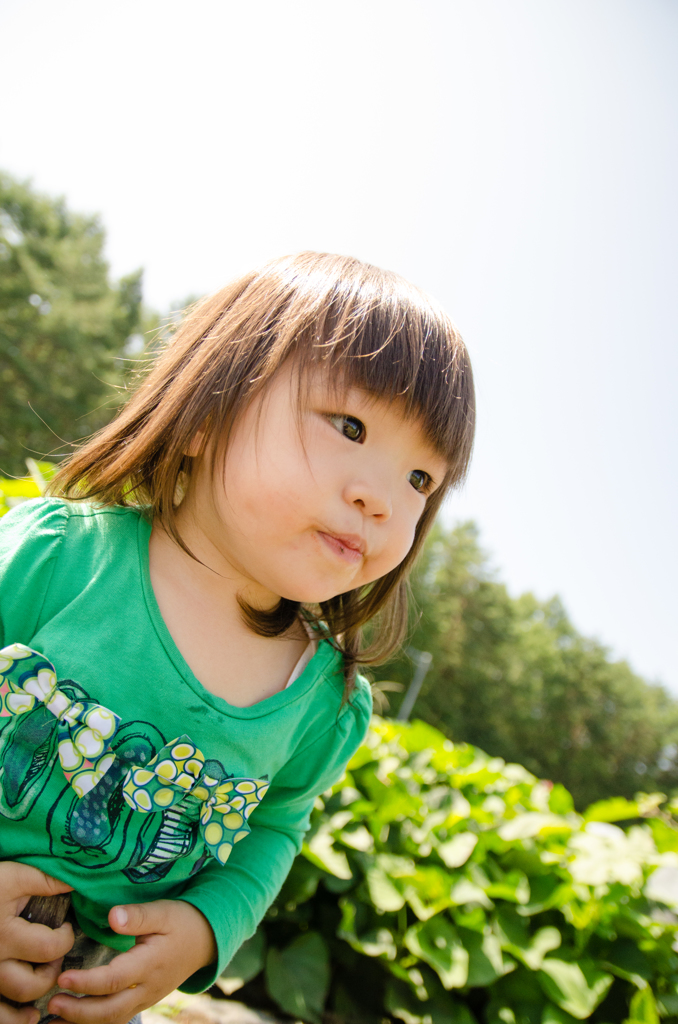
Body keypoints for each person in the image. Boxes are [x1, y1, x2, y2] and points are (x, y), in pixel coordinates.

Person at [0, 252, 475, 1024]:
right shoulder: (59, 558)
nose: (382, 499)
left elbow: (274, 830)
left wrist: (204, 927)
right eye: (351, 426)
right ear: (208, 412)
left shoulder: (319, 703)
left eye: (421, 479)